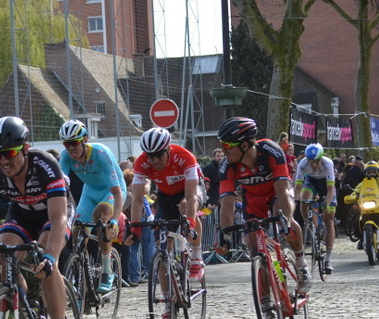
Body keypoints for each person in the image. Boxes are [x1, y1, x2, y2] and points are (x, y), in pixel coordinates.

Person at [0, 116, 74, 319]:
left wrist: (51, 258)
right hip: (21, 213)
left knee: (45, 259)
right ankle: (26, 306)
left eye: (9, 152)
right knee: (2, 253)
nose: (3, 160)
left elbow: (58, 216)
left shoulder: (44, 164)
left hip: (55, 213)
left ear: (25, 148)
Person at [216, 117, 311, 294]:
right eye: (222, 145)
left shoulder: (270, 151)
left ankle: (301, 263)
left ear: (244, 145)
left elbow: (283, 193)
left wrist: (286, 223)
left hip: (276, 193)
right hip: (253, 200)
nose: (223, 150)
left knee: (282, 215)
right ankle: (266, 303)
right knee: (255, 250)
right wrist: (226, 236)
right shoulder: (227, 166)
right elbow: (227, 204)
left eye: (227, 146)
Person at [129, 127, 205, 287]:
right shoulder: (142, 163)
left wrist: (190, 224)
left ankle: (197, 256)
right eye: (151, 156)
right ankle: (167, 300)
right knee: (161, 248)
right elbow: (137, 199)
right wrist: (135, 229)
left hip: (189, 191)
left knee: (186, 205)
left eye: (158, 155)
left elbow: (191, 196)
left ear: (168, 149)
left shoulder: (185, 157)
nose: (154, 160)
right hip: (166, 196)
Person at [58, 119, 126, 293]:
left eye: (74, 143)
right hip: (90, 192)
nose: (70, 148)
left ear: (85, 140)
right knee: (77, 230)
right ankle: (81, 270)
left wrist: (115, 220)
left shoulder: (101, 154)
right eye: (67, 144)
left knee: (100, 216)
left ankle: (106, 271)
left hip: (111, 191)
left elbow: (117, 193)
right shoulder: (65, 157)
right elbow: (59, 187)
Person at [294, 143, 337, 274]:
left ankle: (328, 259)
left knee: (328, 218)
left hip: (326, 185)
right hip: (311, 181)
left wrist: (327, 205)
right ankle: (308, 223)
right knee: (304, 197)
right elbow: (297, 188)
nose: (313, 165)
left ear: (321, 159)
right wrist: (297, 202)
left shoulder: (327, 164)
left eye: (316, 162)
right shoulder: (302, 164)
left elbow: (330, 190)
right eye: (311, 162)